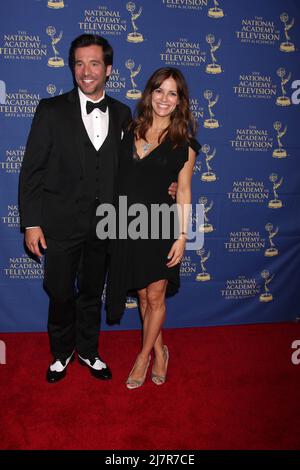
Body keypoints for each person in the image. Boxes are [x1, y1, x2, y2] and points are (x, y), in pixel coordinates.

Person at [19, 34, 177, 384]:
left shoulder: (123, 114)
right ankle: (62, 352)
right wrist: (32, 223)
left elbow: (140, 166)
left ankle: (88, 351)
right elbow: (31, 171)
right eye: (79, 63)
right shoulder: (51, 109)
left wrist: (169, 183)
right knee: (60, 292)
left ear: (108, 69)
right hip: (59, 223)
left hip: (107, 224)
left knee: (91, 292)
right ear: (72, 67)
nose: (86, 71)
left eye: (94, 63)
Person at [106, 67, 200, 389]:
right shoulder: (127, 129)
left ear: (180, 101)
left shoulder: (184, 144)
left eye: (172, 93)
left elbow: (184, 191)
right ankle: (162, 351)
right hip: (126, 223)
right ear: (150, 93)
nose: (164, 98)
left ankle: (143, 357)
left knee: (156, 296)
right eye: (159, 91)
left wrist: (184, 236)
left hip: (161, 224)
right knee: (143, 297)